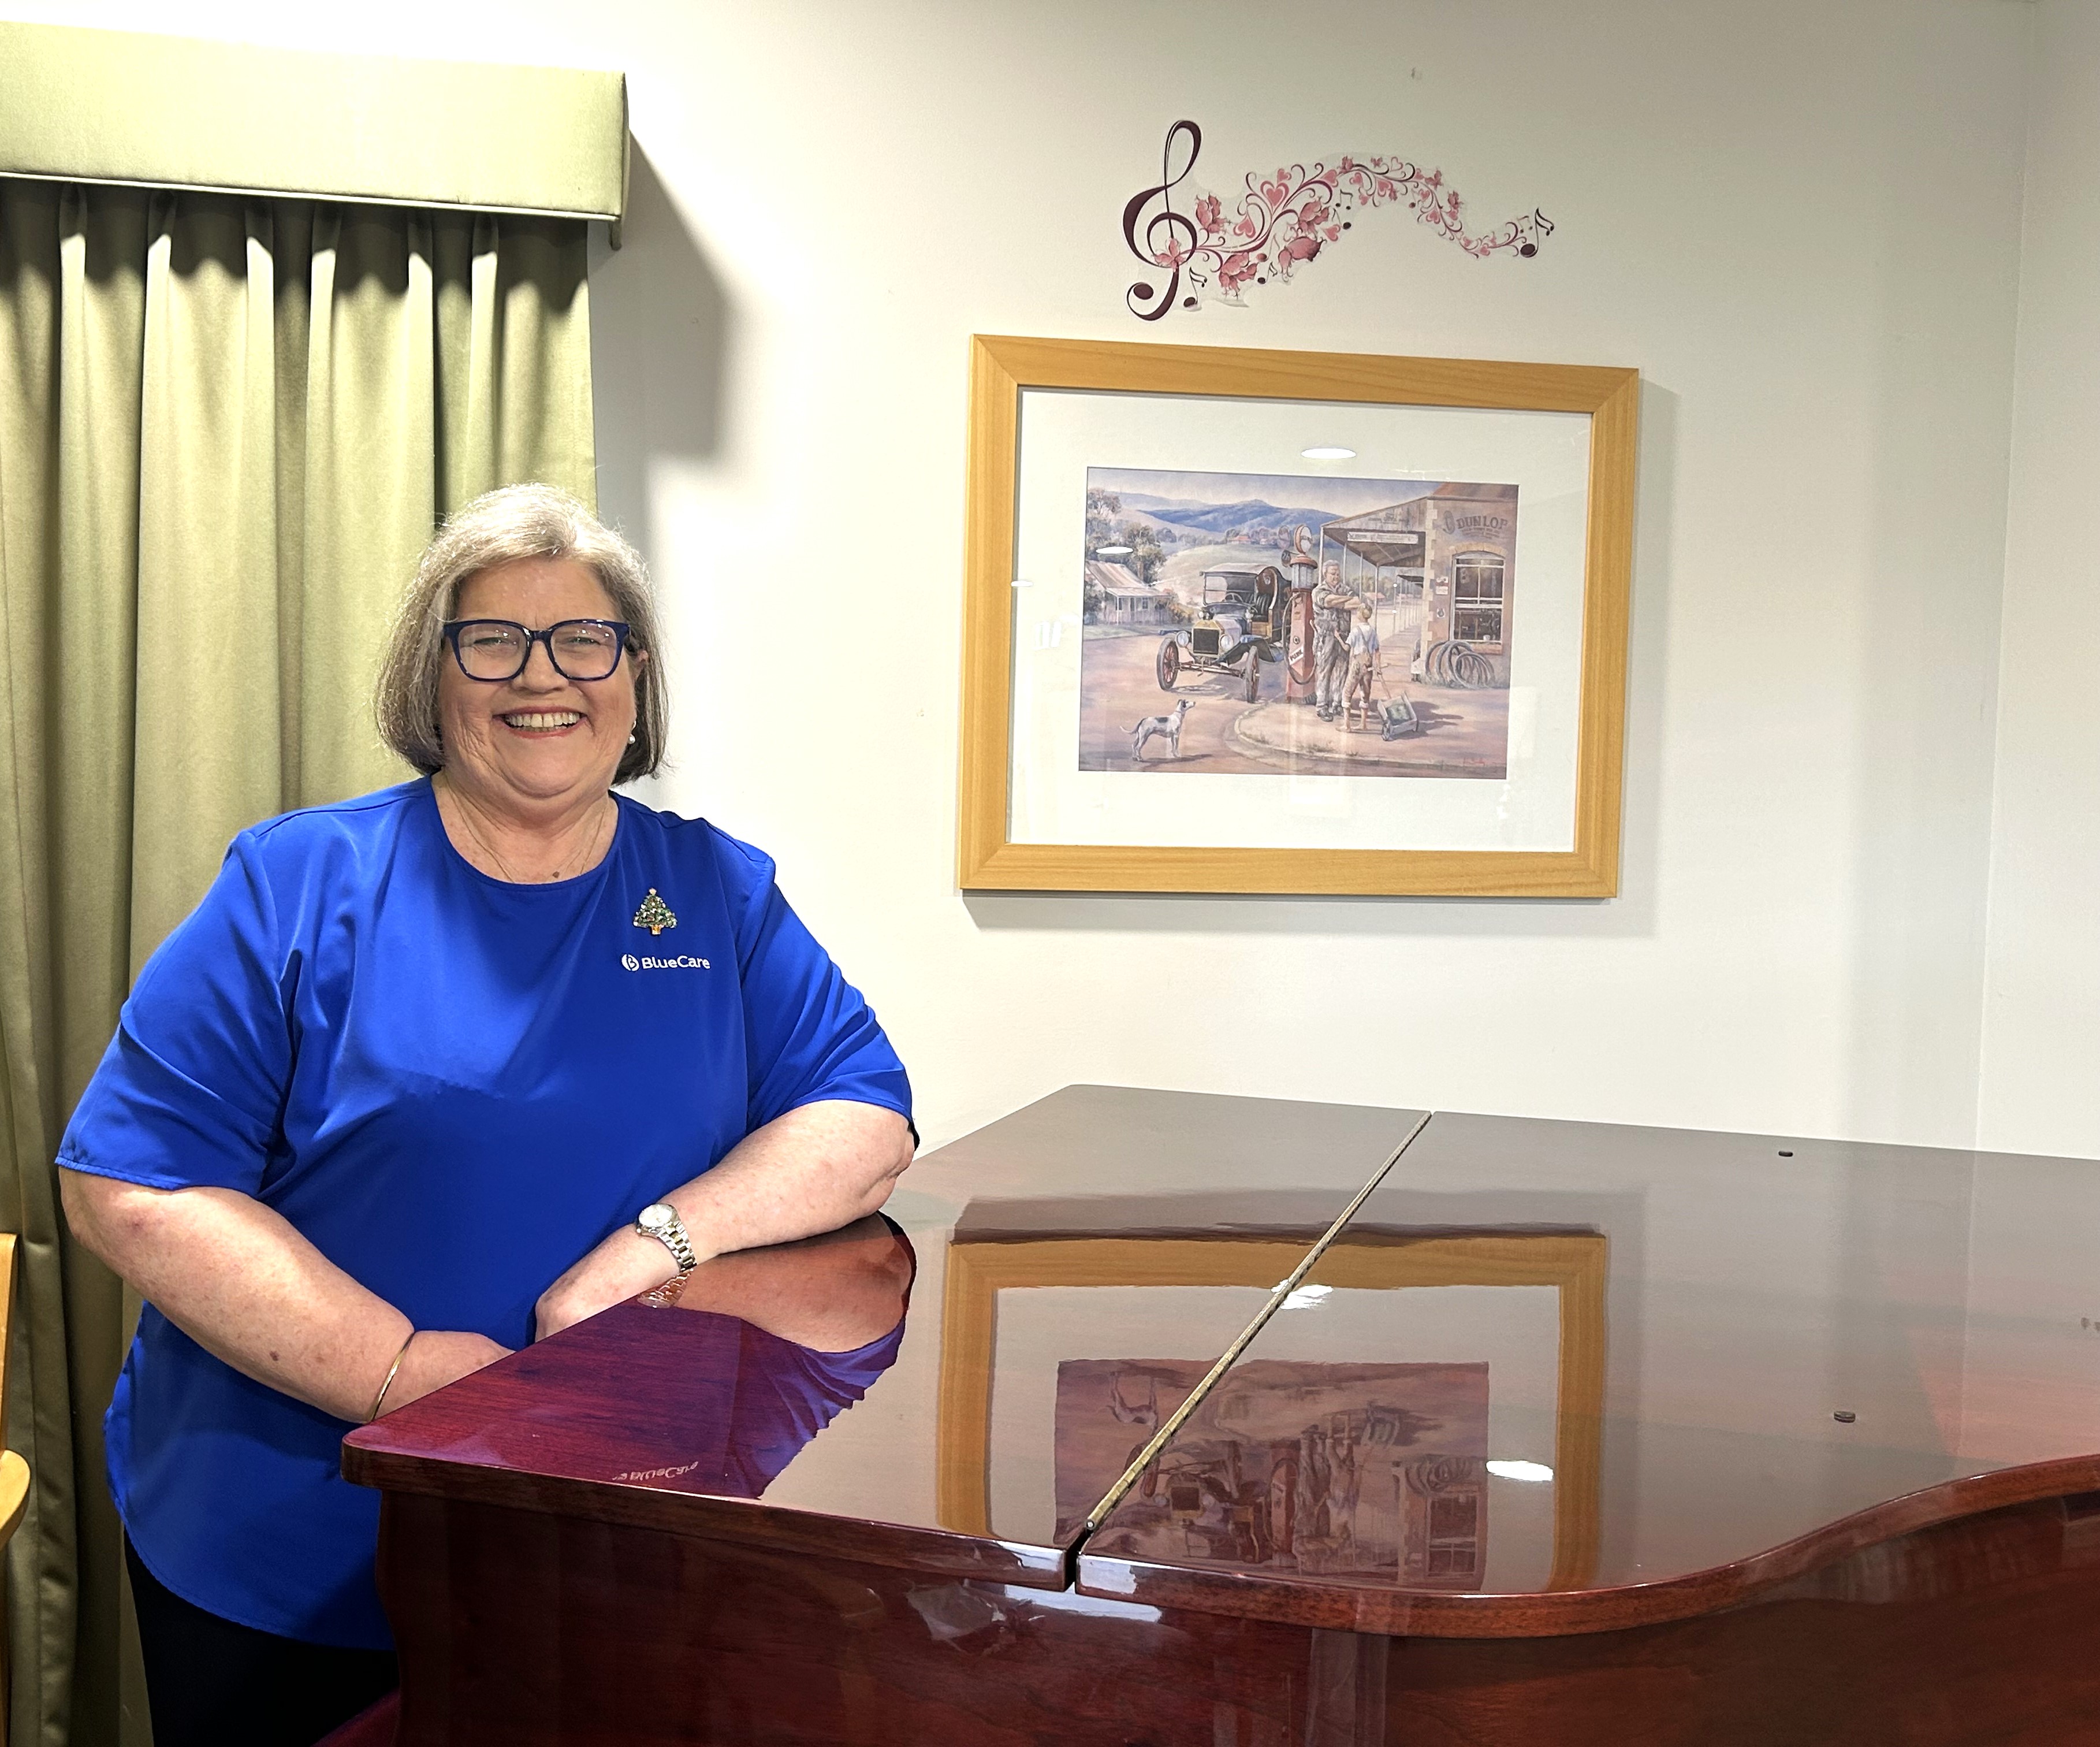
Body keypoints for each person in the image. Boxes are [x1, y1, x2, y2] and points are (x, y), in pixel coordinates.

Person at [56, 484, 915, 1747]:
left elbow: (862, 1116)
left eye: (584, 639)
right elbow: (129, 1181)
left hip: (610, 1535)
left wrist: (655, 1245)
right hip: (297, 1542)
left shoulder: (711, 891)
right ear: (434, 675)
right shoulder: (299, 885)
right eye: (492, 640)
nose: (542, 676)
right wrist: (405, 1376)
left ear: (631, 682)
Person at [1310, 561, 1362, 720]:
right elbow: (1327, 601)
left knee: (1342, 671)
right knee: (1325, 671)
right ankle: (1322, 706)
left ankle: (1337, 704)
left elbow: (1357, 602)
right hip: (1325, 637)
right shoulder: (1319, 591)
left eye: (1338, 574)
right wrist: (1344, 602)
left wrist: (1338, 601)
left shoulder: (1344, 589)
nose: (1336, 577)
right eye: (1333, 574)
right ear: (1325, 574)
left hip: (1344, 637)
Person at [1341, 603, 1381, 730]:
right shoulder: (1373, 631)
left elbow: (1347, 648)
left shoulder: (1356, 631)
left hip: (1357, 664)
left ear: (1361, 615)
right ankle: (1363, 724)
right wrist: (1378, 667)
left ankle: (1347, 725)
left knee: (1347, 693)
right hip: (1369, 666)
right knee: (1365, 694)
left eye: (1358, 611)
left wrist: (1338, 638)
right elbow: (1377, 651)